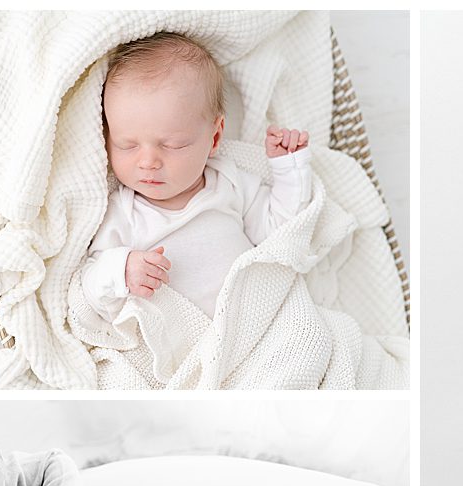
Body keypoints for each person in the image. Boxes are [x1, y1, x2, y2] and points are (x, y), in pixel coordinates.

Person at [81, 31, 312, 320]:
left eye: (172, 145)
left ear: (214, 138)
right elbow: (89, 290)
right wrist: (121, 270)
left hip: (257, 322)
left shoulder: (230, 184)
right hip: (182, 343)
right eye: (127, 145)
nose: (148, 161)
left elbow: (281, 232)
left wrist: (288, 168)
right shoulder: (123, 213)